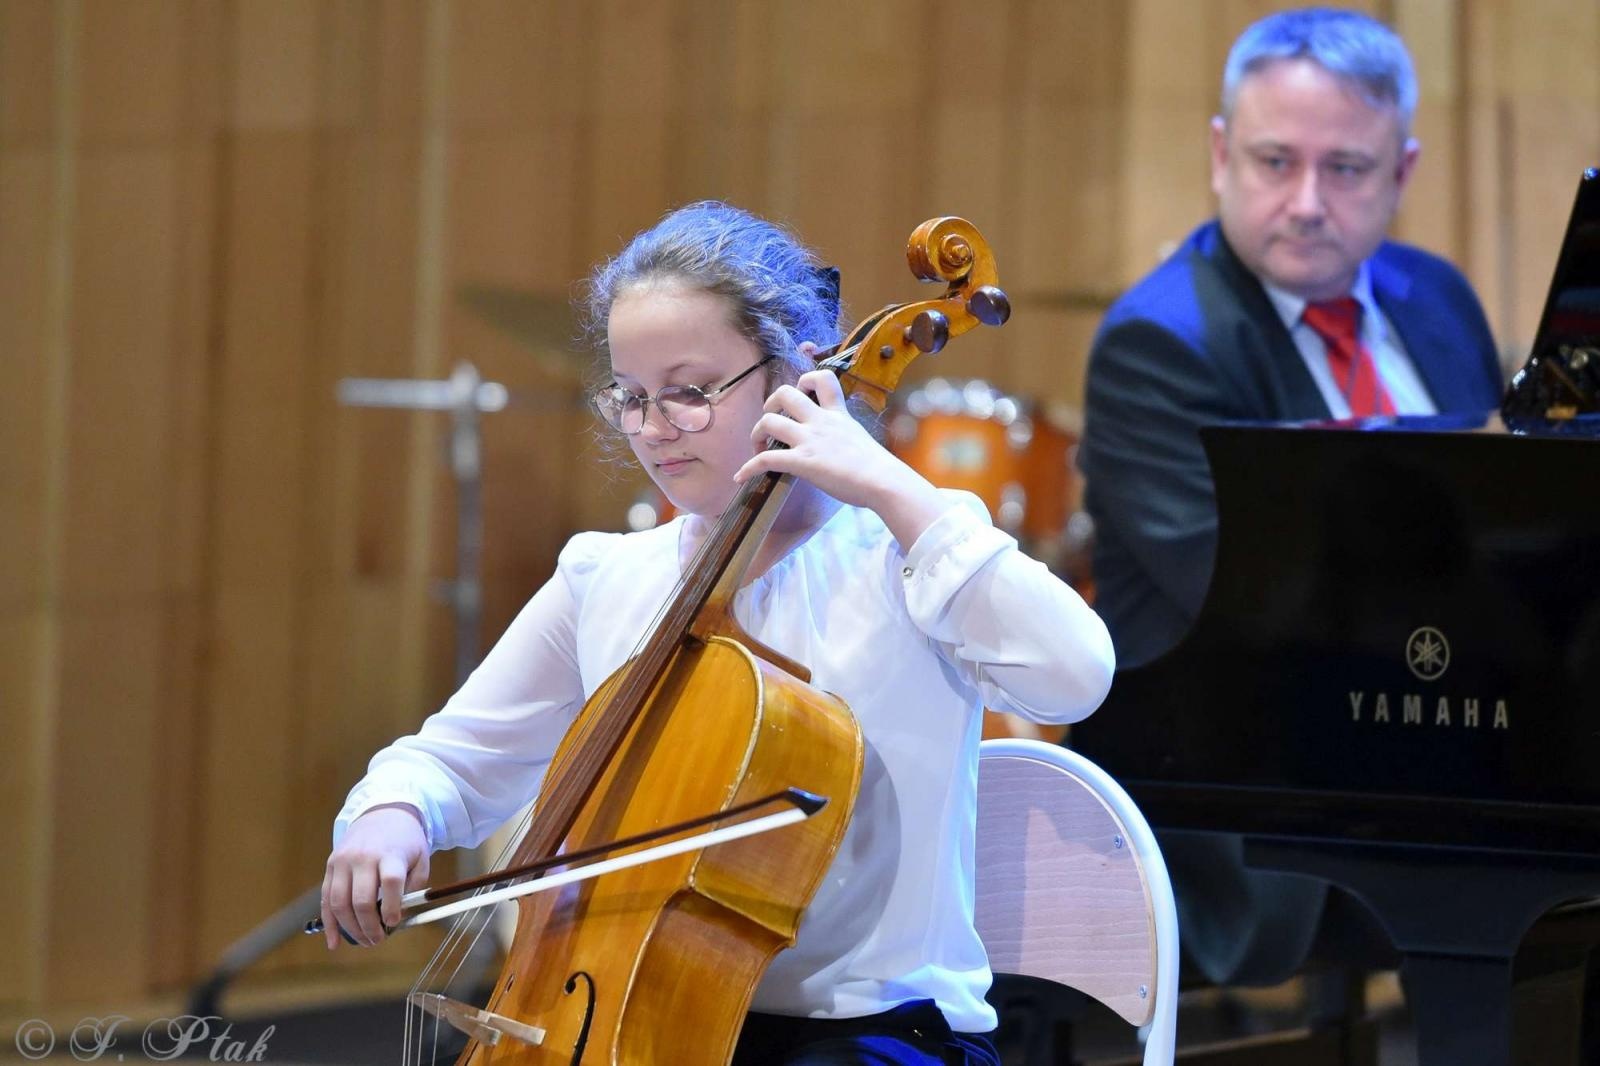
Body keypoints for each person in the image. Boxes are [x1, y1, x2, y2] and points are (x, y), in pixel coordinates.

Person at [321, 201, 1115, 1064]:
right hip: (637, 1021)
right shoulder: (608, 577)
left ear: (798, 373)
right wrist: (391, 815)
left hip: (871, 1036)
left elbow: (1074, 674)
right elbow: (452, 760)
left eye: (692, 392)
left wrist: (893, 487)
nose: (653, 428)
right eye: (631, 396)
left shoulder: (905, 560)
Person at [1078, 7, 1504, 987]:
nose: (1307, 202)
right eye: (1275, 161)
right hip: (1249, 793)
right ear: (1220, 155)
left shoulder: (1437, 298)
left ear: (1401, 172)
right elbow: (1255, 601)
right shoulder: (1159, 341)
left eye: (1345, 168)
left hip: (1443, 737)